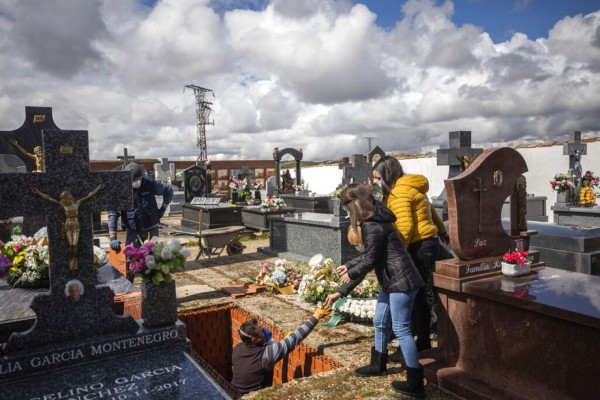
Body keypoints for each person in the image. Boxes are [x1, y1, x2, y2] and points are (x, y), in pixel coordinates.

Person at [325, 184, 426, 398]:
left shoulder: (372, 225)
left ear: (355, 203)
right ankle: (378, 364)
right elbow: (373, 254)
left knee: (401, 330)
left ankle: (415, 383)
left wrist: (350, 276)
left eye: (346, 206)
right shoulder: (377, 219)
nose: (346, 211)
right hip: (393, 280)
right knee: (380, 320)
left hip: (401, 282)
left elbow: (371, 259)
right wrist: (350, 267)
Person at [373, 156, 449, 355]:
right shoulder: (413, 186)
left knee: (413, 296)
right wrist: (441, 232)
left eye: (378, 177)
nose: (377, 182)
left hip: (416, 246)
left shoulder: (398, 192)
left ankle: (416, 341)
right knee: (421, 295)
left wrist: (397, 256)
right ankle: (421, 338)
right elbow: (431, 211)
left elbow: (405, 228)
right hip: (429, 242)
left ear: (386, 174)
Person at [231, 303, 331, 395]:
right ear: (254, 339)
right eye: (261, 331)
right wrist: (317, 316)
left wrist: (283, 341)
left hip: (232, 391)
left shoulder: (238, 348)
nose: (265, 331)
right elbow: (296, 337)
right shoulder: (266, 355)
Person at [108, 163, 173, 281]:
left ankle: (152, 283)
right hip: (133, 230)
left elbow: (168, 190)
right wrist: (113, 237)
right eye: (133, 180)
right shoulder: (121, 190)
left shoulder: (150, 183)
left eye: (138, 179)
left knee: (154, 257)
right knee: (130, 259)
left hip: (151, 228)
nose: (136, 182)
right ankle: (128, 284)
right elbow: (113, 213)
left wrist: (163, 208)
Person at [32, 183, 107, 271]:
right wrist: (39, 192)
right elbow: (49, 198)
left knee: (74, 244)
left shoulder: (77, 203)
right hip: (68, 225)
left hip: (76, 225)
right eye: (62, 198)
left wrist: (98, 188)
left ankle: (73, 262)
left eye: (64, 198)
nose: (63, 200)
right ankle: (72, 264)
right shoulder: (63, 205)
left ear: (69, 197)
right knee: (70, 245)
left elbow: (89, 196)